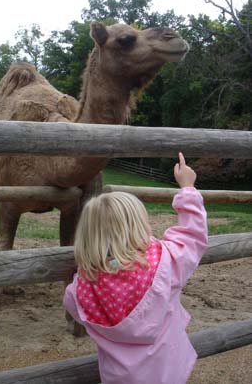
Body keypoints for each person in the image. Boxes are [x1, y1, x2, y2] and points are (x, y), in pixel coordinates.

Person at [64, 152, 208, 384]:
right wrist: (188, 189)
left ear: (88, 236)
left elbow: (74, 309)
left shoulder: (80, 291)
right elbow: (193, 236)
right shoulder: (165, 262)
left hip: (118, 378)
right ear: (138, 227)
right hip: (168, 372)